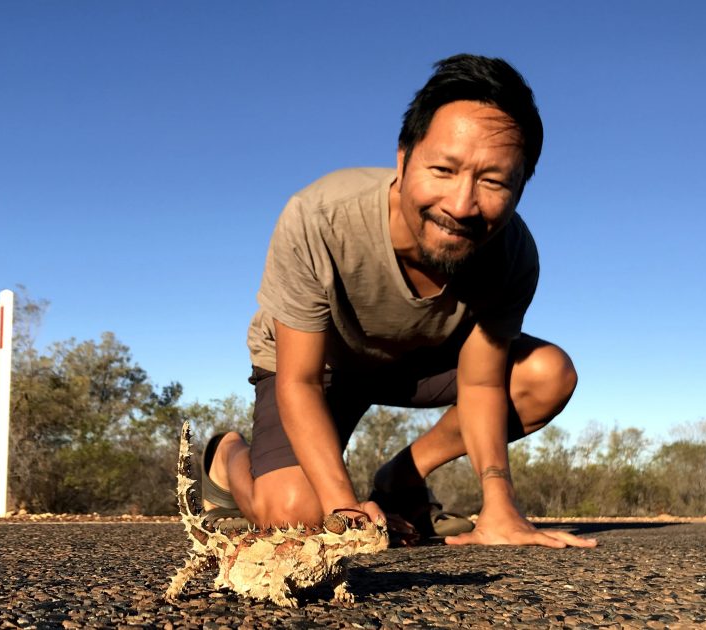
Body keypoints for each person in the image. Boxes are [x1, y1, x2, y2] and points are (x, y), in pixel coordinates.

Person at [202, 54, 596, 548]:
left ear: (521, 188)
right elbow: (298, 381)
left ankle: (400, 480)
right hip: (321, 364)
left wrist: (499, 505)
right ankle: (227, 456)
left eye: (493, 181)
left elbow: (480, 383)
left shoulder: (513, 254)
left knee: (546, 374)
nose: (460, 205)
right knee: (294, 518)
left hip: (414, 363)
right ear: (404, 157)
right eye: (443, 169)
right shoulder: (319, 218)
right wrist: (342, 508)